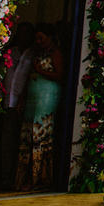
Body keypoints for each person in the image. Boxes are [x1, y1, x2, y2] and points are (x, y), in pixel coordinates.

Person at [16, 26, 64, 190]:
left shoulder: (55, 53)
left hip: (47, 97)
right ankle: (24, 177)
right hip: (32, 97)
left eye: (41, 38)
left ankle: (39, 178)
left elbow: (60, 75)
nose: (38, 42)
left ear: (50, 37)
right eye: (36, 39)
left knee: (40, 134)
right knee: (28, 133)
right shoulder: (35, 53)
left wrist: (40, 71)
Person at [0, 22, 34, 189]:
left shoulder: (32, 54)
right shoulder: (10, 52)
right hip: (4, 101)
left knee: (15, 141)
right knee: (3, 140)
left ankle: (12, 179)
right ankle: (1, 176)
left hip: (21, 103)